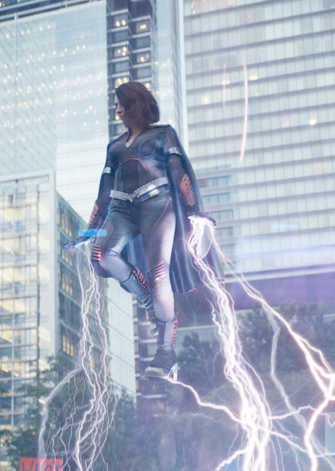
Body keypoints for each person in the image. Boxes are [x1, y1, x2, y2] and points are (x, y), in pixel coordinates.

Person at [64, 81, 223, 378]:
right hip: (121, 208)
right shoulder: (114, 147)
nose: (118, 110)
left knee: (159, 272)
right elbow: (104, 191)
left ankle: (165, 352)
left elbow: (177, 169)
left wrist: (194, 208)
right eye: (116, 105)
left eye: (121, 103)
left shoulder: (163, 134)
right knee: (101, 255)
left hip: (158, 204)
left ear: (136, 103)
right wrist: (88, 232)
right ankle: (149, 299)